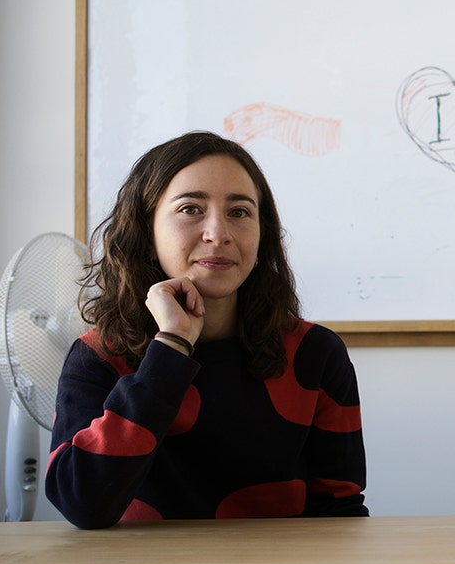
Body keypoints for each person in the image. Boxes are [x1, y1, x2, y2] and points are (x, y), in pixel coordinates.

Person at [47, 131, 368, 528]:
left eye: (239, 212)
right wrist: (172, 346)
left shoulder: (315, 353)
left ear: (261, 235)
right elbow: (81, 503)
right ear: (146, 234)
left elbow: (340, 509)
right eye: (190, 209)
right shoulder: (97, 356)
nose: (218, 233)